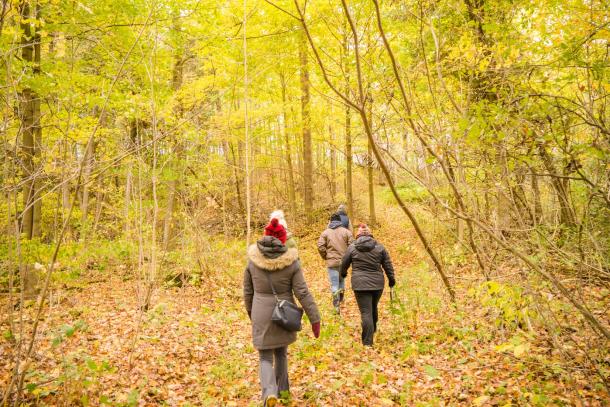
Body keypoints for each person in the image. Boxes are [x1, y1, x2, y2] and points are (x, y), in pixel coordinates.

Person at [244, 218, 321, 406]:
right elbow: (302, 292)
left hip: (260, 311)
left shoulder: (252, 262)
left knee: (264, 356)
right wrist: (314, 318)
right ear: (283, 239)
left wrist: (251, 313)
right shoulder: (292, 262)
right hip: (284, 313)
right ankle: (283, 392)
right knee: (281, 353)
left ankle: (269, 393)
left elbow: (248, 291)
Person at [340, 223, 395, 346]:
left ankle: (367, 343)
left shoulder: (352, 247)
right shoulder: (380, 247)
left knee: (366, 312)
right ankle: (372, 330)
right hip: (377, 284)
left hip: (360, 284)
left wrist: (342, 274)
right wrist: (391, 279)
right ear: (370, 235)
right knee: (373, 307)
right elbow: (388, 264)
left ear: (357, 235)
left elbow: (344, 263)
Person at [317, 213, 354, 313]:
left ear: (330, 221)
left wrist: (326, 256)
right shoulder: (346, 232)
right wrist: (348, 258)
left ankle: (336, 306)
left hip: (332, 262)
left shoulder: (325, 233)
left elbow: (320, 246)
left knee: (334, 283)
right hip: (343, 262)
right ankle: (341, 300)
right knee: (341, 281)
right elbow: (352, 246)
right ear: (340, 221)